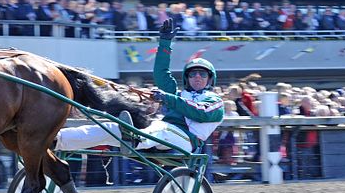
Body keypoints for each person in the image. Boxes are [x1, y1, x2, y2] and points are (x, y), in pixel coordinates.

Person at [55, 18, 224, 155]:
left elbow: (200, 113)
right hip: (159, 136)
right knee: (110, 128)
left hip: (186, 141)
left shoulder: (215, 102)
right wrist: (165, 43)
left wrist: (166, 97)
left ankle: (136, 138)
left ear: (210, 79)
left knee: (160, 127)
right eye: (193, 74)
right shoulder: (178, 94)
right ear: (187, 78)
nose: (197, 77)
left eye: (202, 74)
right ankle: (57, 140)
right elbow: (162, 73)